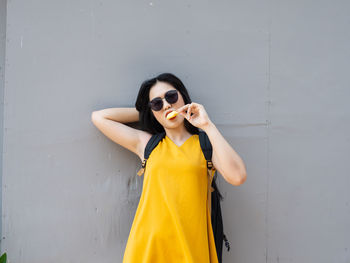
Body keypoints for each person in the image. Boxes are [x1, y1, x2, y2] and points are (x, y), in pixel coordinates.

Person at [91, 72, 247, 262]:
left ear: (183, 96)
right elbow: (99, 117)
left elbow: (238, 176)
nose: (166, 105)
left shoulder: (205, 145)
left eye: (171, 97)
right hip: (149, 249)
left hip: (191, 248)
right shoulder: (147, 144)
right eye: (157, 103)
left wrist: (207, 125)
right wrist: (149, 112)